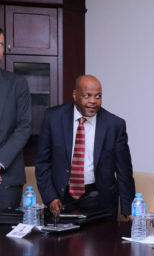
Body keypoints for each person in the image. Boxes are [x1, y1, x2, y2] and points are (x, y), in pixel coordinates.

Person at [35, 75, 135, 219]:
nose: (93, 101)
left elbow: (124, 171)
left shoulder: (114, 125)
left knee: (101, 241)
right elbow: (42, 163)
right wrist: (50, 197)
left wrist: (129, 209)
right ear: (75, 95)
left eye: (98, 96)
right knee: (62, 241)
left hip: (100, 199)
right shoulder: (53, 118)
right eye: (87, 96)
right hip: (62, 198)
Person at [0, 28, 32, 209]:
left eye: (1, 44)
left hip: (7, 179)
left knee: (5, 237)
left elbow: (24, 127)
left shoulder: (17, 84)